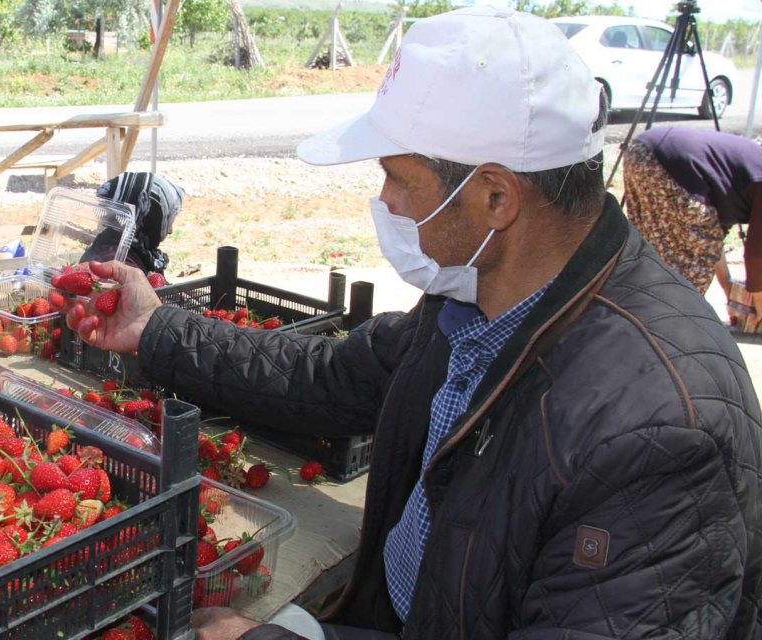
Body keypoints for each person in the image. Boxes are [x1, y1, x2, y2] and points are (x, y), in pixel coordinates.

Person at [65, 7, 762, 640]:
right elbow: (329, 376)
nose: (385, 199)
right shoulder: (482, 298)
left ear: (495, 197)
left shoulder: (658, 427)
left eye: (399, 177)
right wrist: (157, 328)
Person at [622, 127, 762, 314]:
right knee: (689, 268)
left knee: (654, 255)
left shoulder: (738, 186)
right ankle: (670, 322)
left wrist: (728, 288)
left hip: (641, 152)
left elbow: (714, 238)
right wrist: (759, 305)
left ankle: (643, 316)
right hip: (674, 165)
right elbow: (756, 256)